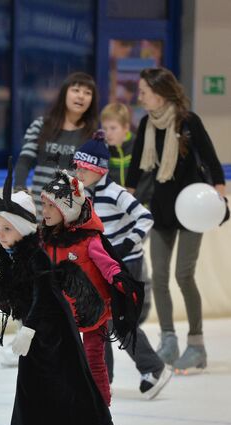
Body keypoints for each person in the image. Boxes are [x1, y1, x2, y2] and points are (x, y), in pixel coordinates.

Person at [0, 155, 116, 425]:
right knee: (31, 383)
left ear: (22, 228)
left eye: (6, 228)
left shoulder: (34, 255)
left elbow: (45, 295)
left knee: (73, 380)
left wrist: (29, 329)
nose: (0, 235)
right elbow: (15, 294)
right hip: (37, 329)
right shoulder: (11, 255)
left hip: (55, 328)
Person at [125, 67, 229, 374]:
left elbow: (212, 163)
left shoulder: (188, 122)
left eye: (144, 90)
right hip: (162, 210)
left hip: (193, 210)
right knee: (158, 277)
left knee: (184, 275)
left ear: (160, 92)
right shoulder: (145, 123)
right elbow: (134, 171)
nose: (139, 95)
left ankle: (196, 345)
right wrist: (126, 203)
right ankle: (168, 339)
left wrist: (219, 200)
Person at [74, 130, 172, 399]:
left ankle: (154, 367)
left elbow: (145, 217)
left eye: (84, 168)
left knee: (118, 319)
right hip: (103, 264)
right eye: (77, 167)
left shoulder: (115, 193)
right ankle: (101, 376)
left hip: (125, 263)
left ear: (100, 170)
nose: (79, 173)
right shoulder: (84, 194)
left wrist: (127, 244)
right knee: (98, 319)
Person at [40, 169, 144, 407]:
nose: (44, 211)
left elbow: (107, 264)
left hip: (92, 312)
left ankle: (101, 414)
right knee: (61, 361)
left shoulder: (88, 239)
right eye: (42, 204)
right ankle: (71, 411)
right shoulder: (44, 240)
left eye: (50, 206)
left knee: (94, 360)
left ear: (67, 209)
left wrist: (121, 281)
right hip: (61, 313)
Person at [14, 71, 98, 219]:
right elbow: (24, 161)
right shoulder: (41, 125)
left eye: (87, 93)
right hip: (40, 212)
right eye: (76, 90)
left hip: (72, 216)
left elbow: (94, 179)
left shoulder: (94, 136)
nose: (81, 96)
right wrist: (20, 188)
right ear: (64, 93)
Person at [101, 102, 152, 324]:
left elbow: (148, 179)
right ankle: (114, 309)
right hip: (113, 221)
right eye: (105, 128)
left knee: (136, 258)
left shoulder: (138, 149)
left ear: (125, 128)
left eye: (113, 128)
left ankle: (142, 304)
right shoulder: (103, 152)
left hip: (137, 217)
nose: (108, 133)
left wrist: (143, 204)